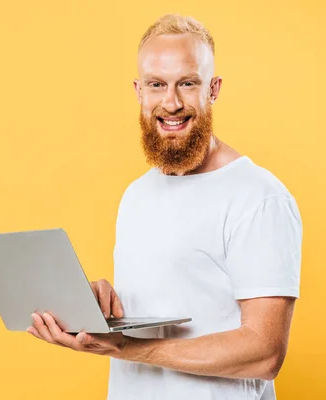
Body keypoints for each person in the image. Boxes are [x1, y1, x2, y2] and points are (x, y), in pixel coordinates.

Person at [26, 13, 302, 400]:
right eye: (157, 85)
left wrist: (128, 349)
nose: (170, 103)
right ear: (139, 91)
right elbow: (165, 302)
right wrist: (101, 310)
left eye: (187, 83)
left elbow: (264, 352)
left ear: (213, 89)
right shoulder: (137, 195)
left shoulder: (258, 197)